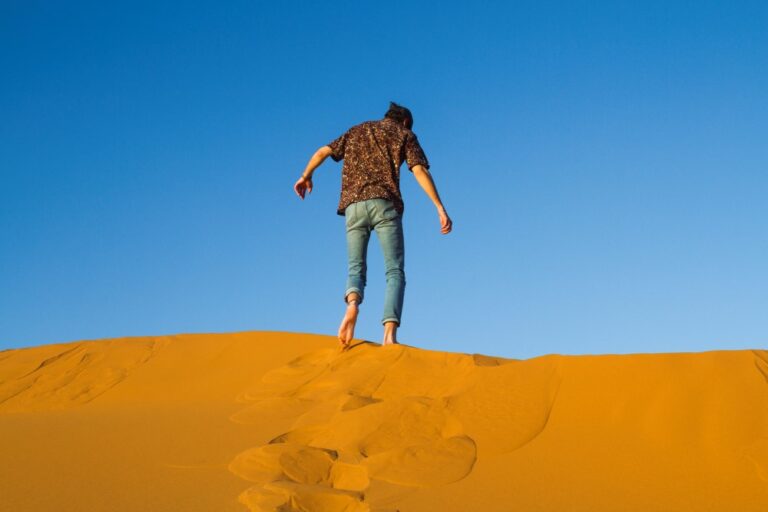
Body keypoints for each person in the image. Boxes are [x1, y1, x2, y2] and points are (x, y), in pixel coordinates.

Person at [293, 102, 452, 348]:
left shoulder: (356, 131)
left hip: (353, 208)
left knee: (355, 269)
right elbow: (419, 170)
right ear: (406, 122)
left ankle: (353, 305)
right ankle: (389, 336)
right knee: (394, 271)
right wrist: (439, 207)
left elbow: (323, 151)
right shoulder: (404, 134)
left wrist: (306, 175)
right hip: (385, 206)